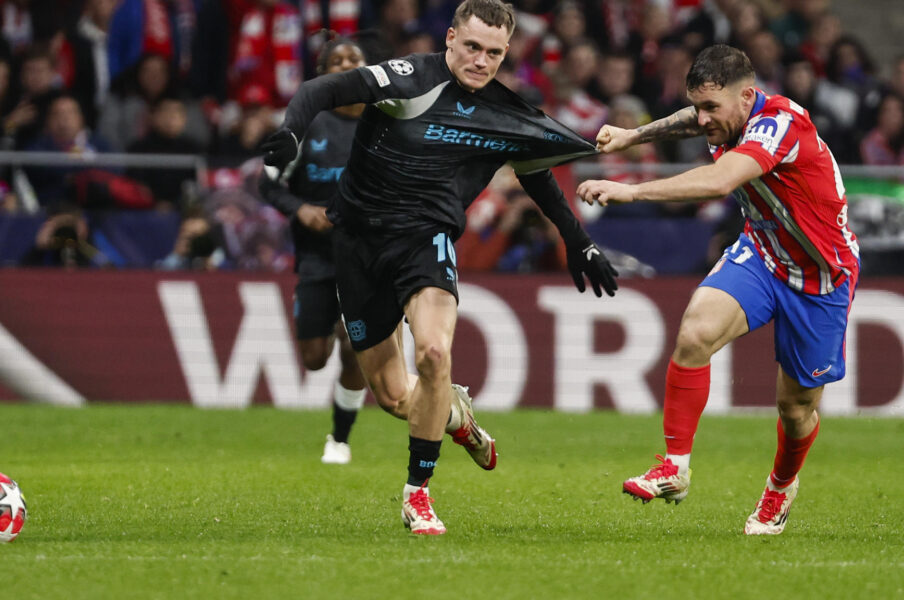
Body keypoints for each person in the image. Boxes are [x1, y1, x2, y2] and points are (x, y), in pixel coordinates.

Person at [262, 0, 618, 535]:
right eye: (472, 46)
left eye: (494, 53)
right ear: (450, 37)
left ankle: (418, 495)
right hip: (356, 244)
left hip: (426, 239)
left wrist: (577, 239)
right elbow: (320, 91)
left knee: (433, 352)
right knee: (393, 396)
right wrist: (292, 130)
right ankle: (455, 416)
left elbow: (536, 171)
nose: (480, 61)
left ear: (505, 54)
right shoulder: (409, 77)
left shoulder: (504, 111)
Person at [577, 44, 860, 535]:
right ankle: (675, 466)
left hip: (819, 276)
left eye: (713, 107)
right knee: (695, 332)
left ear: (748, 96)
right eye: (700, 105)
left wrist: (632, 188)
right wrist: (631, 136)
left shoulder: (779, 125)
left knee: (796, 410)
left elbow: (721, 181)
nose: (704, 118)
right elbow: (689, 117)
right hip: (764, 253)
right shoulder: (728, 115)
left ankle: (779, 488)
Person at [259, 37, 370, 466]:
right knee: (313, 360)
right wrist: (299, 208)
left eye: (354, 59)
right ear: (322, 75)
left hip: (366, 257)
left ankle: (339, 439)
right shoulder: (306, 125)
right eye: (336, 61)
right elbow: (265, 183)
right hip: (316, 257)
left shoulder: (385, 121)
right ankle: (321, 319)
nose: (345, 65)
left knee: (356, 344)